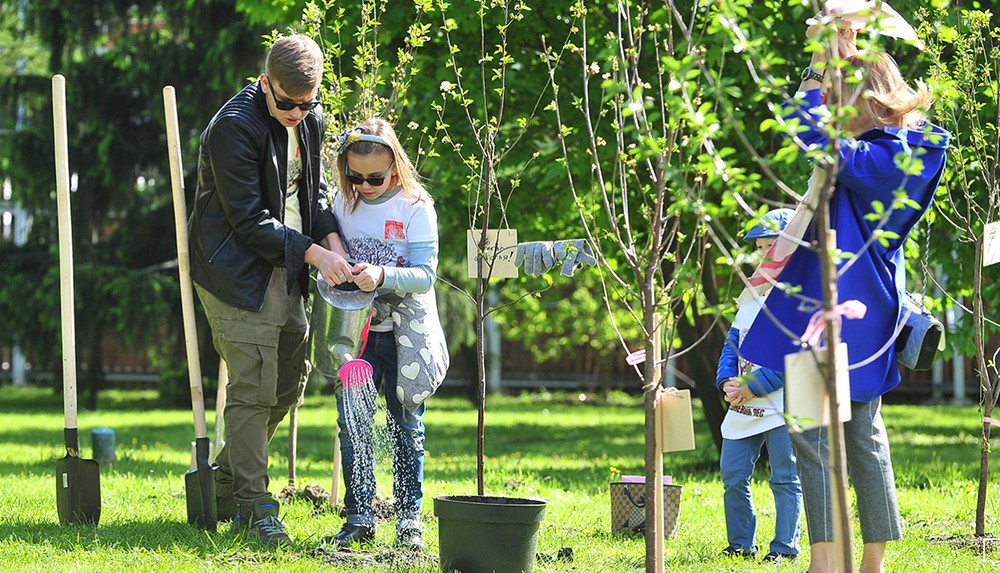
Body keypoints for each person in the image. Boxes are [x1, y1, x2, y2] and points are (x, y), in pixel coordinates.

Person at [739, 25, 950, 573]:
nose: (829, 104)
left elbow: (801, 125)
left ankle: (837, 564)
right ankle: (857, 563)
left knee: (821, 438)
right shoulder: (908, 153)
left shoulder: (879, 160)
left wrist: (816, 67)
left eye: (838, 97)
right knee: (859, 438)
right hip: (862, 315)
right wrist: (839, 54)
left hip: (837, 315)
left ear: (860, 102)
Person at [188, 34, 353, 545]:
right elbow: (250, 221)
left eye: (309, 103)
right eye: (287, 102)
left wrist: (331, 242)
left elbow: (315, 190)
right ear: (265, 84)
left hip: (291, 263)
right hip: (235, 270)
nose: (298, 112)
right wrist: (318, 254)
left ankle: (222, 481)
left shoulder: (309, 119)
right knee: (254, 384)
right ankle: (255, 509)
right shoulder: (233, 127)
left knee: (289, 378)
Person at [323, 118, 448, 551]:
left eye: (374, 177)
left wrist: (381, 274)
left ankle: (408, 517)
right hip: (357, 334)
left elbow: (425, 275)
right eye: (355, 176)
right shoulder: (345, 202)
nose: (365, 185)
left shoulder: (415, 208)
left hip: (403, 336)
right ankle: (359, 515)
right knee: (353, 421)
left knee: (405, 423)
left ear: (395, 166)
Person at [717, 208, 802, 564]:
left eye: (775, 245)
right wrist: (727, 382)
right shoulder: (753, 291)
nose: (768, 253)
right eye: (763, 246)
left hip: (784, 404)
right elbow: (732, 342)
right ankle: (740, 544)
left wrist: (756, 384)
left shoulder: (798, 295)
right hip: (742, 403)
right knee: (733, 476)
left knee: (785, 477)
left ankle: (784, 548)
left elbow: (796, 352)